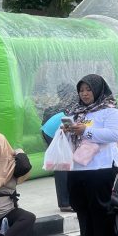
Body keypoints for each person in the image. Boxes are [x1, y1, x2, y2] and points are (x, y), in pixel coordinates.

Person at [57, 75, 118, 236]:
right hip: (78, 165)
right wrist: (67, 131)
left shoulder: (110, 111)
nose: (85, 94)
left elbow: (114, 134)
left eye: (89, 89)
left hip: (102, 166)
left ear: (98, 90)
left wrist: (84, 131)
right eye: (82, 90)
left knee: (99, 205)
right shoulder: (77, 112)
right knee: (80, 204)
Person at [41, 82, 77, 212]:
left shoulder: (73, 102)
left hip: (50, 128)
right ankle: (65, 203)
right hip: (53, 130)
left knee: (66, 164)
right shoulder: (79, 102)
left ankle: (68, 200)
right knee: (63, 165)